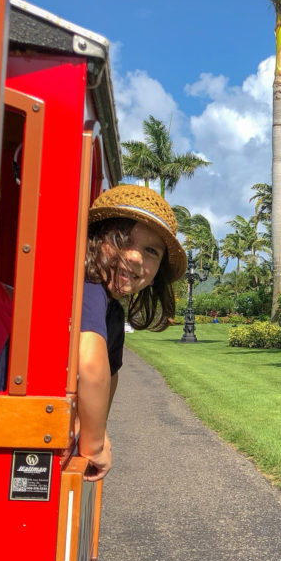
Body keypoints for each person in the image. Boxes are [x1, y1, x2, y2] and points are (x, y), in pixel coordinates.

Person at [79, 185, 185, 481]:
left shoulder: (112, 312)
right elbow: (90, 365)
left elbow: (110, 373)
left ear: (156, 275)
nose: (137, 258)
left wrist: (98, 427)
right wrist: (94, 443)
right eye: (124, 240)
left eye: (151, 251)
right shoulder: (87, 286)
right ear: (96, 240)